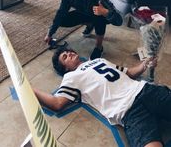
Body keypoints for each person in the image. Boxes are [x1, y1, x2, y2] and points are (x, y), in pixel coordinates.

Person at [34, 47, 171, 147]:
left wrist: (144, 65)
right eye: (65, 57)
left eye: (69, 51)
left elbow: (127, 72)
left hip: (145, 90)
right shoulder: (71, 77)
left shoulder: (100, 60)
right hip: (127, 111)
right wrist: (29, 89)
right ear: (65, 69)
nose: (69, 53)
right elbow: (57, 103)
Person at [44, 0, 123, 59]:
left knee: (100, 18)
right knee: (61, 19)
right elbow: (61, 13)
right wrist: (50, 33)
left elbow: (119, 21)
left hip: (96, 16)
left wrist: (105, 12)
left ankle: (99, 47)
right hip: (82, 13)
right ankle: (89, 25)